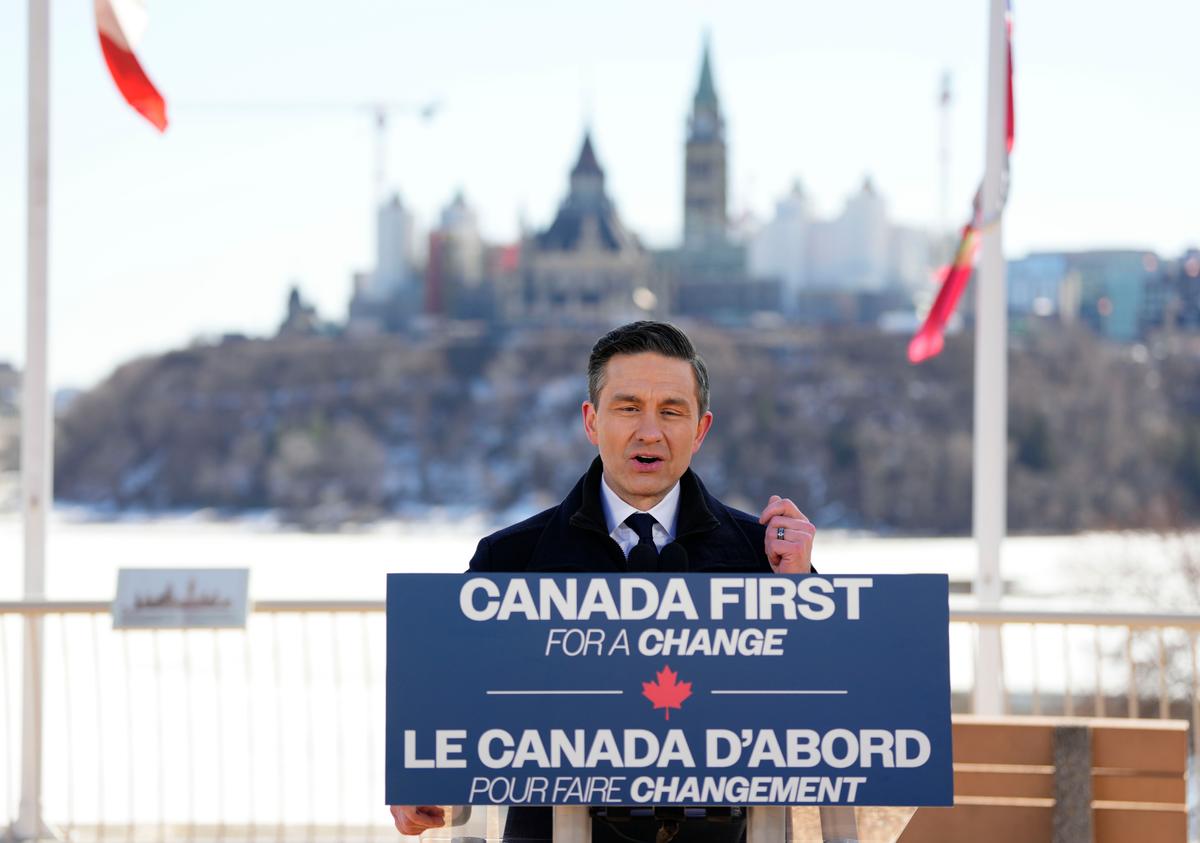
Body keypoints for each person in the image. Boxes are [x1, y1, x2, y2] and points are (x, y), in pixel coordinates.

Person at [391, 321, 815, 842]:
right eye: (628, 406)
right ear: (592, 421)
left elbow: (825, 711)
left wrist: (803, 590)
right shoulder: (511, 557)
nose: (649, 431)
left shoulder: (763, 556)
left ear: (701, 430)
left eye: (672, 411)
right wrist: (425, 783)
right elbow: (455, 705)